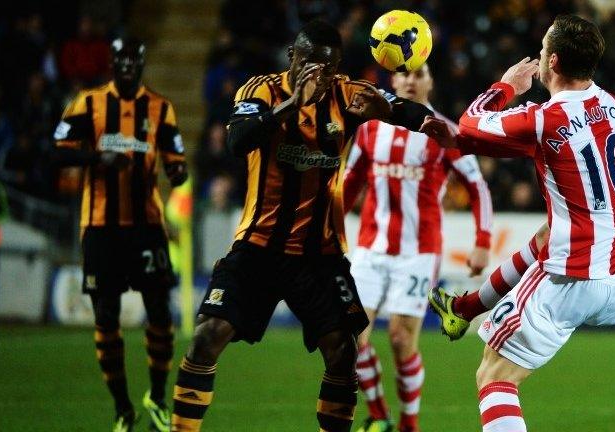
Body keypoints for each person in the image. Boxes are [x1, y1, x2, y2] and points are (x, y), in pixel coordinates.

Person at [169, 20, 431, 432]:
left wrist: (395, 112)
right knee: (207, 335)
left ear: (337, 67)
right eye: (309, 63)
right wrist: (293, 104)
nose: (317, 75)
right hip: (258, 246)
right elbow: (238, 140)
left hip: (319, 255)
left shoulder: (349, 94)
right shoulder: (259, 90)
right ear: (292, 56)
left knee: (344, 353)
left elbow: (415, 115)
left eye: (327, 68)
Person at [423, 15, 615, 431]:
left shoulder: (544, 118)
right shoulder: (611, 105)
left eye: (543, 49)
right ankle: (465, 308)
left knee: (494, 376)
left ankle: (467, 312)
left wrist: (507, 85)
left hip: (578, 279)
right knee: (550, 231)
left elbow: (473, 122)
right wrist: (462, 139)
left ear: (553, 61)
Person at [342, 63, 493, 432]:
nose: (410, 80)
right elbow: (349, 183)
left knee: (399, 339)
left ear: (431, 80)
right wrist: (324, 230)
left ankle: (409, 425)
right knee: (349, 339)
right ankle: (380, 417)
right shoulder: (368, 130)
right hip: (370, 249)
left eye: (419, 73)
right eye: (403, 73)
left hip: (418, 252)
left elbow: (478, 187)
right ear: (392, 80)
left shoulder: (441, 131)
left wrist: (483, 242)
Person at [53, 38, 187, 432]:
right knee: (106, 319)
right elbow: (57, 151)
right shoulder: (87, 103)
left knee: (161, 315)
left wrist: (179, 174)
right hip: (100, 229)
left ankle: (157, 399)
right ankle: (122, 409)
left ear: (142, 65)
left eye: (134, 61)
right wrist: (95, 158)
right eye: (121, 60)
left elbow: (176, 161)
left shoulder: (161, 108)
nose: (127, 66)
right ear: (112, 63)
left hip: (147, 227)